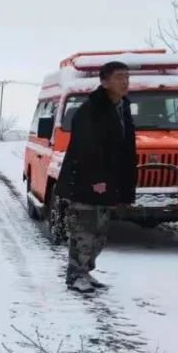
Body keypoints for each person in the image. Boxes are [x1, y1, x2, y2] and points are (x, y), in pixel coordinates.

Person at [54, 61, 138, 294]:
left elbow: (125, 150)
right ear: (104, 81)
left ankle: (86, 271)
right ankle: (75, 275)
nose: (125, 82)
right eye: (119, 77)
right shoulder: (90, 110)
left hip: (109, 183)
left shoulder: (123, 108)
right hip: (85, 182)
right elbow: (84, 148)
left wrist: (127, 186)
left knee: (100, 234)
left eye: (127, 77)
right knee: (84, 229)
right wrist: (96, 178)